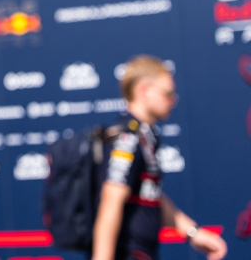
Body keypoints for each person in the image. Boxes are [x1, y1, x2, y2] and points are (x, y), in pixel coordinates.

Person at [91, 55, 227, 260]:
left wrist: (192, 232)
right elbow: (111, 200)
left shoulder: (146, 136)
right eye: (168, 94)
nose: (173, 100)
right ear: (143, 90)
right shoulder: (128, 139)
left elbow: (151, 195)